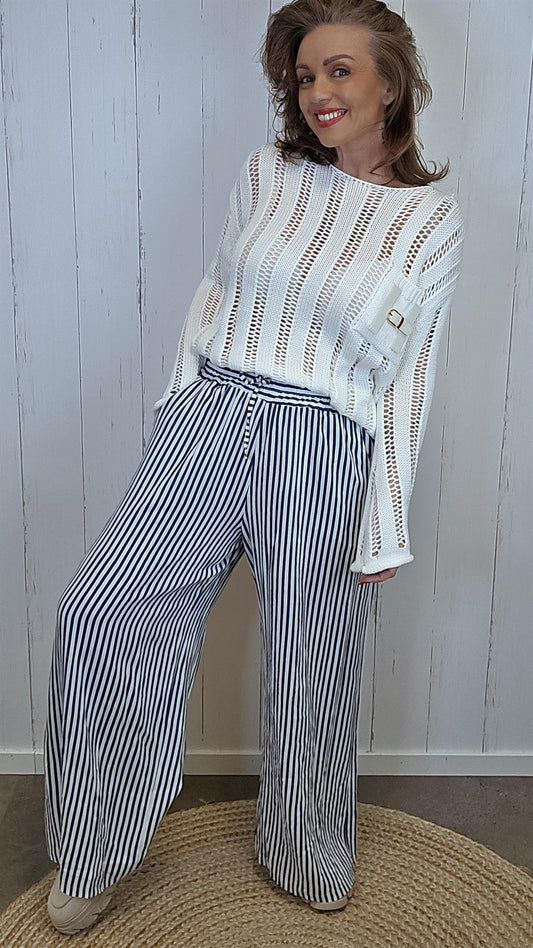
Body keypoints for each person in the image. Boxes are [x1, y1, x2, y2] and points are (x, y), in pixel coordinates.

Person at [44, 0, 464, 934]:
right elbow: (214, 296)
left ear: (390, 84)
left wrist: (385, 521)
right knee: (100, 613)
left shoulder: (428, 223)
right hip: (212, 411)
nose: (318, 93)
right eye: (305, 76)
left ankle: (308, 853)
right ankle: (92, 851)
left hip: (326, 441)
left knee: (314, 661)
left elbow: (409, 378)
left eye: (340, 71)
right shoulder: (266, 173)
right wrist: (177, 415)